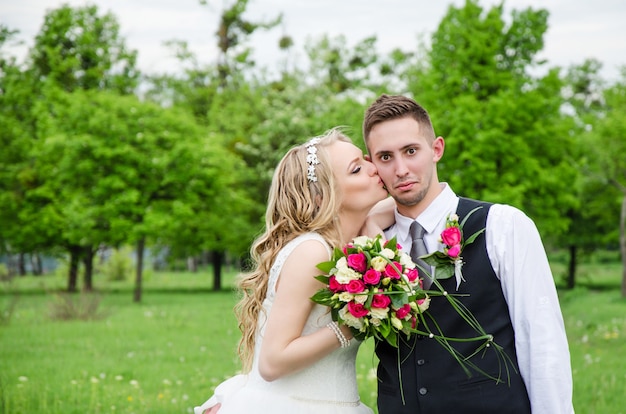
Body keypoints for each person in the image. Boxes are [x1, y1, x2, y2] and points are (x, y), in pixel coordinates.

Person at [362, 94, 574, 414]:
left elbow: (542, 341)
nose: (401, 169)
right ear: (373, 165)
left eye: (410, 151)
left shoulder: (504, 225)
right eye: (386, 157)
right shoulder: (366, 247)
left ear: (436, 149)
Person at [194, 128, 388, 414]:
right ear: (323, 196)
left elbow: (403, 200)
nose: (375, 169)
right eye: (357, 168)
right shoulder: (312, 252)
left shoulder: (349, 246)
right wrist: (355, 322)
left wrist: (371, 227)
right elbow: (273, 362)